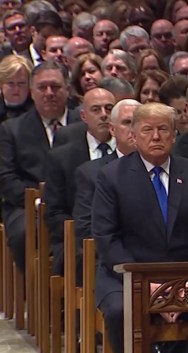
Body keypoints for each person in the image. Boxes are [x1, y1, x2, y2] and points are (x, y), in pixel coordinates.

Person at [92, 102, 188, 353]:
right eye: (148, 130)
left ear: (174, 135)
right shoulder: (111, 176)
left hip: (186, 277)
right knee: (120, 312)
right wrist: (147, 286)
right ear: (134, 135)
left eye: (163, 129)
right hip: (129, 277)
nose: (156, 136)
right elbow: (107, 238)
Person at [0, 62, 81, 272]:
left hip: (76, 203)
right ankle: (36, 297)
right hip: (28, 205)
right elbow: (6, 178)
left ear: (68, 89)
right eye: (42, 88)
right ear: (31, 92)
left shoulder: (82, 124)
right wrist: (38, 201)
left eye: (55, 87)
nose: (49, 93)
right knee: (23, 233)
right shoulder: (11, 129)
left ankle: (78, 292)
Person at [44, 88, 116, 279]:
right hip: (76, 240)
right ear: (83, 116)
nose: (103, 115)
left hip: (119, 238)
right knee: (83, 261)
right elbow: (54, 213)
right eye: (96, 109)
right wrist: (87, 236)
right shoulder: (61, 158)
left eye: (109, 109)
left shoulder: (128, 153)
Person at [73, 99, 140, 258]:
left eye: (138, 123)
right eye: (127, 123)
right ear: (112, 129)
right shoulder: (91, 173)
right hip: (110, 260)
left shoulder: (161, 169)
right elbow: (85, 229)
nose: (133, 130)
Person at [0, 54, 34, 123]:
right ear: (1, 83)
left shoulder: (39, 110)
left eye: (21, 83)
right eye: (10, 83)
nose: (16, 89)